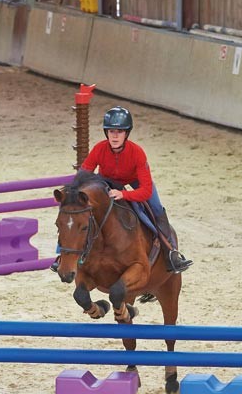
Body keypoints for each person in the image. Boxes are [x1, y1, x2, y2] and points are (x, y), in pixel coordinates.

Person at [51, 106, 193, 274]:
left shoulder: (137, 152)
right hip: (106, 181)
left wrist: (124, 194)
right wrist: (72, 196)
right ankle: (60, 255)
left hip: (135, 182)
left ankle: (171, 252)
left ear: (127, 133)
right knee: (74, 214)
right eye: (111, 131)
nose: (115, 136)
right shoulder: (99, 149)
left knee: (156, 209)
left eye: (120, 131)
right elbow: (83, 175)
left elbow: (146, 191)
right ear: (106, 133)